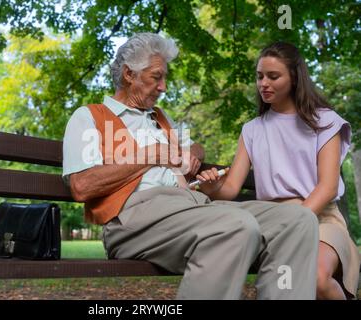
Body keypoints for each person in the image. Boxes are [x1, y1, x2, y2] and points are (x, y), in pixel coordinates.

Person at [62, 33, 319, 299]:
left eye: (164, 78)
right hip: (134, 220)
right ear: (129, 74)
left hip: (192, 207)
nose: (163, 87)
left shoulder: (160, 118)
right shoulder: (90, 117)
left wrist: (189, 153)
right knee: (234, 225)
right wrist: (151, 155)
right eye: (156, 77)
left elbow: (196, 148)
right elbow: (81, 186)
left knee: (297, 220)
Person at [197, 42, 360, 299]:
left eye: (273, 76)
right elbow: (229, 188)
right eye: (260, 76)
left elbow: (327, 187)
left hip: (321, 219)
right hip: (270, 223)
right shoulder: (252, 130)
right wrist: (212, 188)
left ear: (294, 78)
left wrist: (294, 220)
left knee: (316, 278)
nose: (263, 83)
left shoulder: (325, 121)